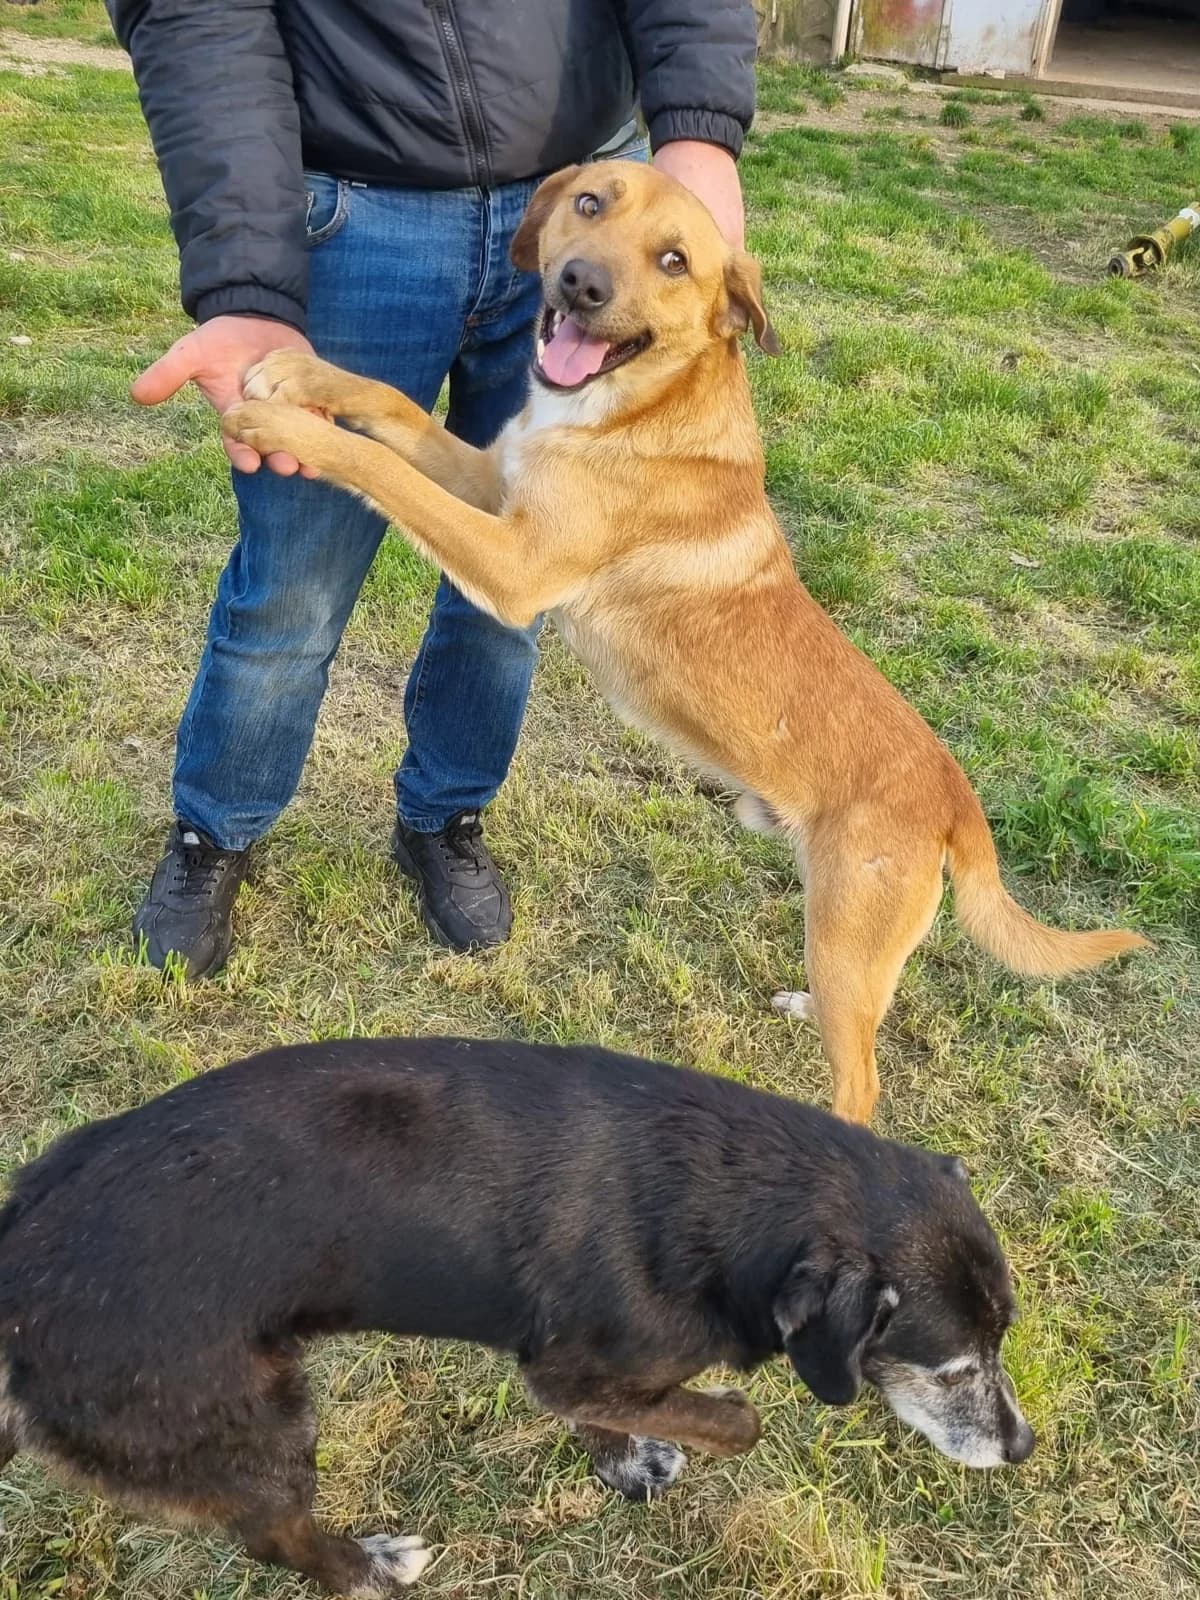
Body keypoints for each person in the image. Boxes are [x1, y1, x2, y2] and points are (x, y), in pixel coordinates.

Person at [108, 0, 757, 978]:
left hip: (586, 186)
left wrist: (700, 131)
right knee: (293, 585)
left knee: (508, 593)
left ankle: (445, 817)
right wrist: (245, 281)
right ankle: (215, 832)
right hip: (359, 215)